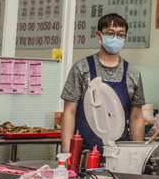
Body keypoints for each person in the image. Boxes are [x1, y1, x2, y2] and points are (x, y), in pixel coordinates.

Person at [60, 13, 145, 156]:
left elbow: (136, 116)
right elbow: (70, 111)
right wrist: (67, 152)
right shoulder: (81, 68)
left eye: (120, 35)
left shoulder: (133, 73)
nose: (115, 38)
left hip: (120, 152)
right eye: (110, 34)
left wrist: (137, 153)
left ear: (125, 37)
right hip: (84, 151)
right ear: (99, 35)